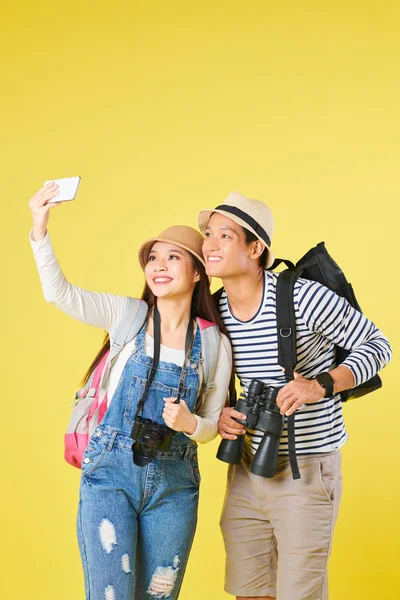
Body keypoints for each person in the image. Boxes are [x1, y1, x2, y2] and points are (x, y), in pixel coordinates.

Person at [29, 182, 232, 600]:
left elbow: (212, 424)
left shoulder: (213, 342)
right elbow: (59, 294)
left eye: (172, 257)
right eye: (152, 258)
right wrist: (39, 226)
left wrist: (192, 423)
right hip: (110, 476)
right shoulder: (128, 316)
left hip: (175, 486)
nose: (158, 266)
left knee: (159, 596)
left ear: (198, 272)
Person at [198, 192, 392, 600]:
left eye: (225, 236)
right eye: (208, 234)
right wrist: (223, 416)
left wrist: (318, 385)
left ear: (256, 248)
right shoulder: (216, 309)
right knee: (248, 591)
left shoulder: (301, 296)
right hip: (247, 469)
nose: (210, 245)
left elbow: (378, 345)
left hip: (306, 471)